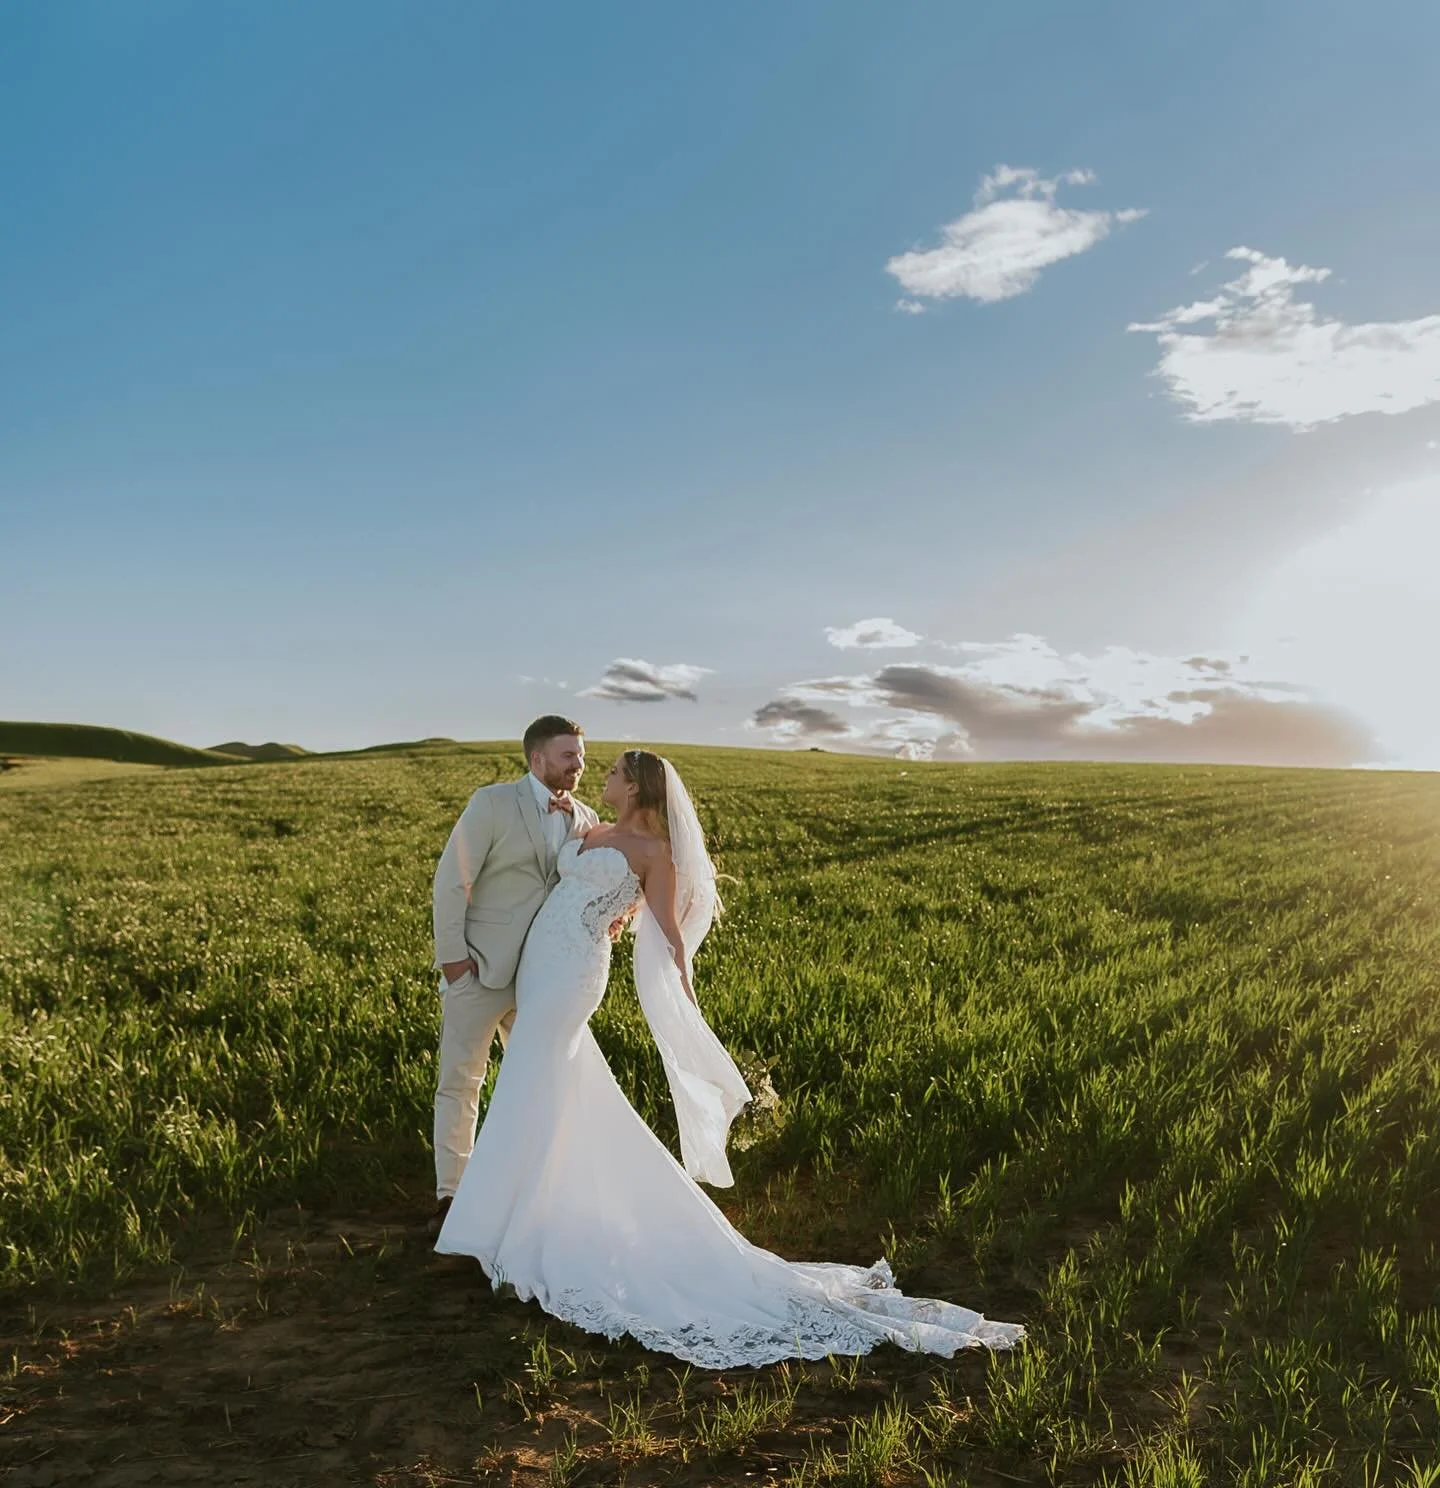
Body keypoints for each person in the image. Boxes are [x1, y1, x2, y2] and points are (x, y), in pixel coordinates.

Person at [436, 749, 1024, 1367]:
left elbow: (666, 924)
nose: (600, 775)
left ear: (635, 787)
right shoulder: (589, 826)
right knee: (547, 1084)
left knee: (533, 1074)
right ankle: (522, 1216)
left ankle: (500, 1229)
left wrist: (682, 986)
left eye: (612, 771)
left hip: (575, 974)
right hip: (537, 965)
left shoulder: (654, 853)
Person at [429, 716, 599, 1232]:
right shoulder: (492, 803)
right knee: (461, 1080)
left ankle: (530, 1191)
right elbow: (451, 880)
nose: (579, 764)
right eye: (568, 755)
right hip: (481, 968)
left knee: (539, 1083)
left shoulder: (586, 817)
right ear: (537, 759)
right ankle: (452, 1197)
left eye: (582, 755)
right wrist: (454, 961)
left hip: (545, 979)